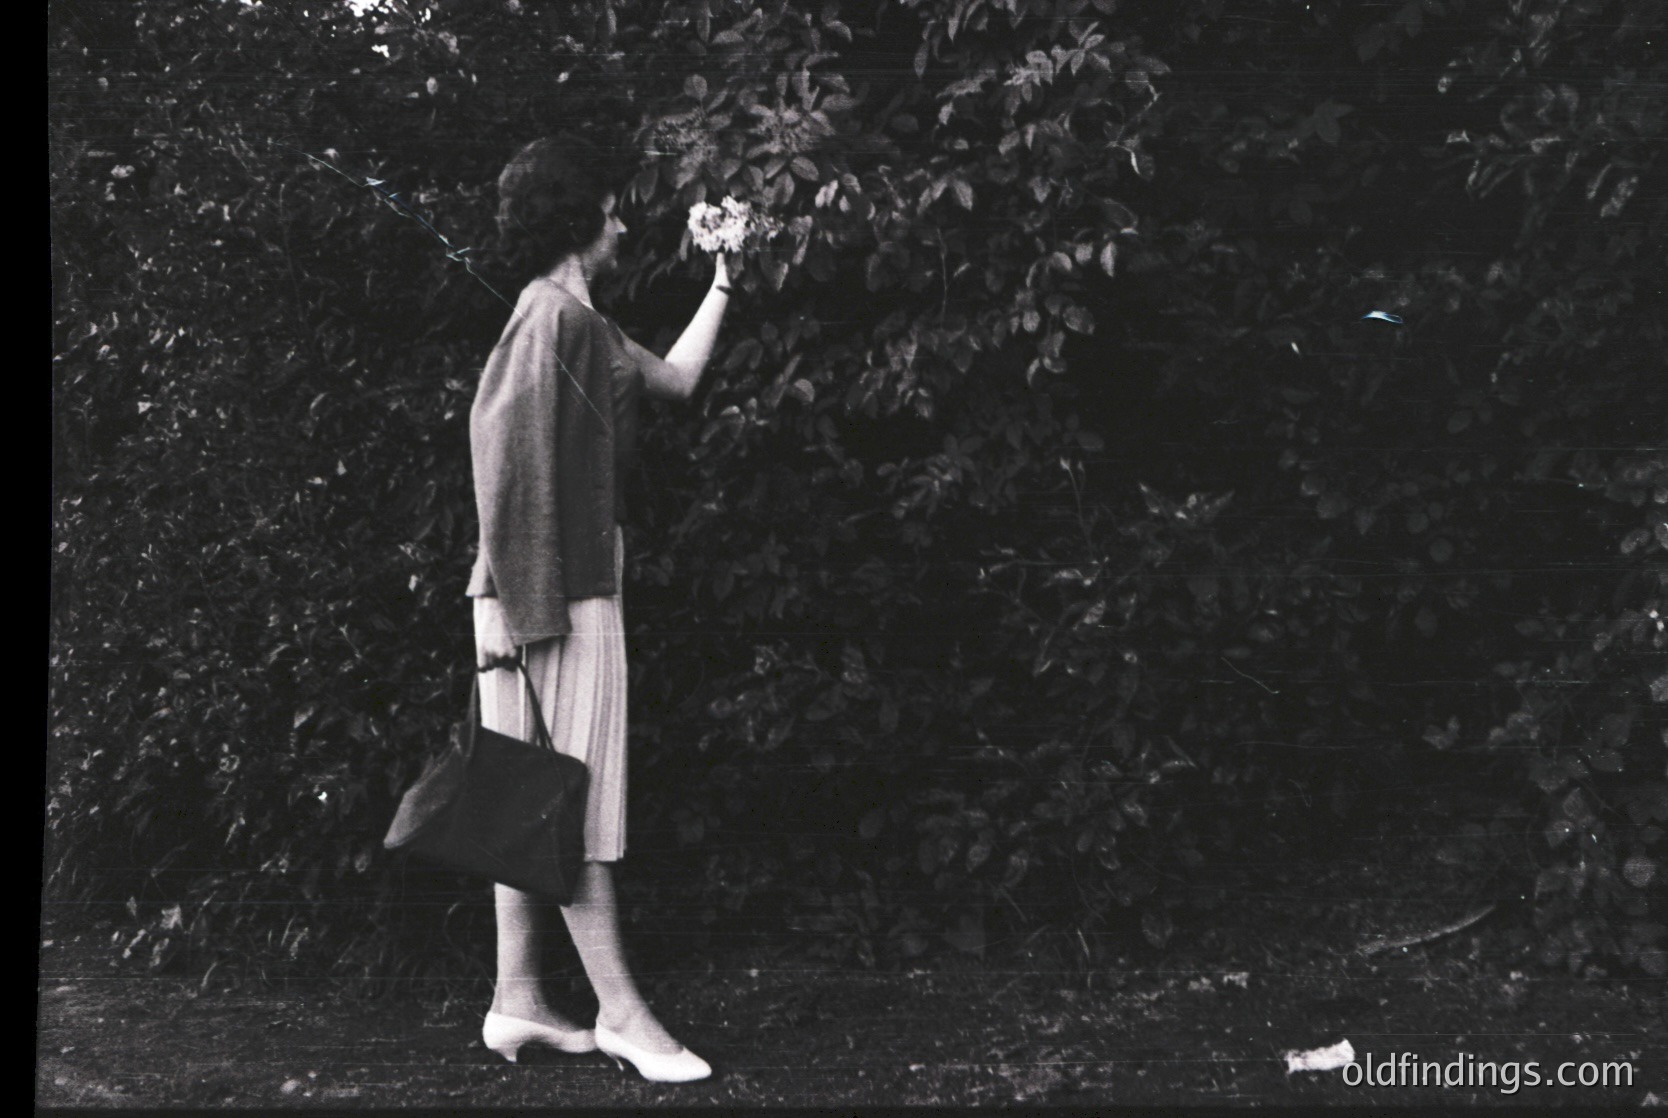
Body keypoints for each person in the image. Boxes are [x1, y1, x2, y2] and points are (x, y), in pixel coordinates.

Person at [466, 135, 731, 1083]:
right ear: (579, 223)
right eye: (612, 210)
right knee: (569, 805)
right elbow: (497, 456)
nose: (624, 222)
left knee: (521, 798)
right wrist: (527, 616)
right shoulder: (551, 320)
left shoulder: (586, 323)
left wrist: (725, 279)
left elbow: (677, 382)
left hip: (545, 594)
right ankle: (622, 1014)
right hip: (550, 600)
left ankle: (519, 999)